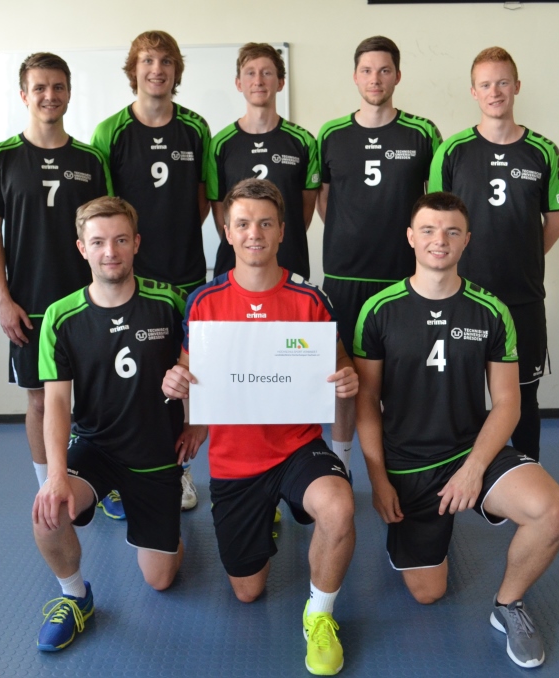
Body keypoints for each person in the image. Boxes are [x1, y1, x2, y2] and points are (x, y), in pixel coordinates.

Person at [353, 192, 559, 669]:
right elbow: (365, 401)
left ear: (467, 240)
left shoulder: (490, 310)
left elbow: (508, 402)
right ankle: (412, 535)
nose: (440, 240)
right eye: (429, 230)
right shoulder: (378, 309)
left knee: (550, 511)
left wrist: (473, 469)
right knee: (428, 593)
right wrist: (379, 479)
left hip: (473, 450)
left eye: (452, 231)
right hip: (409, 462)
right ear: (411, 237)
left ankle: (508, 605)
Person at [163, 179, 358, 676]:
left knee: (338, 507)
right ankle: (267, 511)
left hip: (297, 447)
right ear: (227, 231)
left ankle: (320, 616)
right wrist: (177, 382)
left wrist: (346, 378)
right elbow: (189, 370)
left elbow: (340, 365)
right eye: (244, 223)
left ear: (282, 231)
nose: (255, 233)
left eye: (266, 223)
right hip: (235, 461)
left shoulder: (310, 298)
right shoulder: (203, 301)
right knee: (248, 592)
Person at [32, 196, 205, 651]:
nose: (110, 251)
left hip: (156, 454)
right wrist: (55, 476)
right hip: (96, 449)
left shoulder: (170, 302)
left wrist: (198, 423)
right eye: (98, 242)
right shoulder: (60, 317)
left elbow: (200, 367)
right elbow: (56, 404)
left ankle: (166, 525)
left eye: (121, 240)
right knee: (47, 514)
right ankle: (75, 596)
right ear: (82, 248)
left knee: (161, 580)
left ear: (136, 243)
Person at [0, 52, 113, 490]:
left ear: (69, 93)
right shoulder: (1, 157)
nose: (49, 95)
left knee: (97, 401)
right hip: (29, 306)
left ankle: (101, 483)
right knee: (40, 402)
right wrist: (3, 301)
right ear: (24, 95)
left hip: (87, 304)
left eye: (58, 87)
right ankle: (48, 488)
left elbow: (108, 231)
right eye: (39, 87)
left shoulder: (91, 160)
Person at [429, 46, 559, 462]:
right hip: (463, 298)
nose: (495, 91)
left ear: (517, 86)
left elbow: (555, 221)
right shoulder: (452, 151)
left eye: (503, 82)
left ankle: (525, 477)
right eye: (486, 84)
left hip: (522, 298)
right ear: (474, 91)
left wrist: (522, 258)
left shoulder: (543, 151)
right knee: (459, 396)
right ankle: (459, 476)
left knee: (523, 397)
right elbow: (436, 223)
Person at [91, 30, 212, 513]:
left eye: (165, 61)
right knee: (131, 377)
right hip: (130, 280)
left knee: (182, 376)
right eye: (146, 60)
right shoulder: (110, 131)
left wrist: (172, 233)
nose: (156, 69)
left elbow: (203, 199)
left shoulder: (196, 128)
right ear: (133, 69)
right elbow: (104, 211)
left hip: (184, 273)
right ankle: (121, 473)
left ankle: (179, 471)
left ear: (176, 70)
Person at [316, 36, 441, 476]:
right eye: (367, 70)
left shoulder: (422, 133)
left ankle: (405, 467)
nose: (375, 79)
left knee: (405, 380)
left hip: (403, 279)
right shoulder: (331, 134)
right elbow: (324, 200)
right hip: (345, 279)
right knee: (344, 379)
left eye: (384, 70)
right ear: (355, 76)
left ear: (398, 76)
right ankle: (342, 464)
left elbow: (435, 205)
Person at [206, 42, 319, 280]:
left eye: (267, 73)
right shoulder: (220, 143)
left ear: (280, 82)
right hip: (234, 269)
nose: (258, 81)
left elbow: (303, 214)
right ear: (239, 83)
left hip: (290, 263)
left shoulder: (304, 141)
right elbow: (220, 213)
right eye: (250, 73)